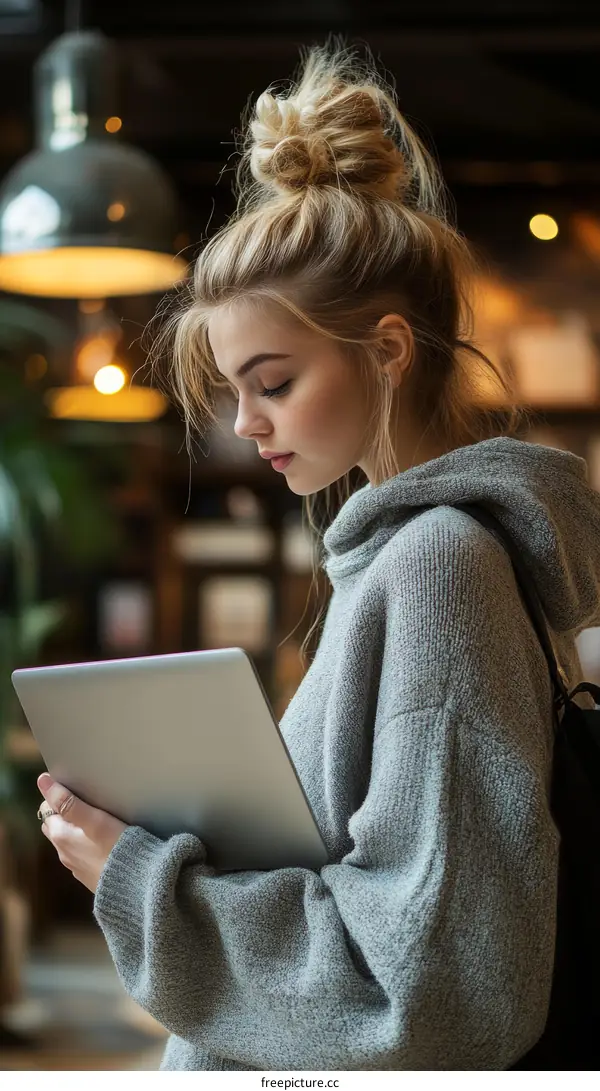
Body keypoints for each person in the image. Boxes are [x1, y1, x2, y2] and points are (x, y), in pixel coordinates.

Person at [36, 42, 600, 1071]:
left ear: (386, 351)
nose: (246, 423)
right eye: (234, 390)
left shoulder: (440, 564)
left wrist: (136, 875)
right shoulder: (410, 557)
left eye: (275, 381)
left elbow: (431, 982)